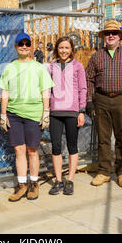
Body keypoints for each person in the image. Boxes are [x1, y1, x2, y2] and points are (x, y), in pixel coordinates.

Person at [0, 32, 54, 202]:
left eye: (27, 43)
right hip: (14, 114)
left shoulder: (39, 67)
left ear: (30, 47)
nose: (24, 46)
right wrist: (2, 114)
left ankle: (34, 184)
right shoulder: (10, 68)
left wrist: (46, 112)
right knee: (19, 150)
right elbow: (5, 92)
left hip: (33, 114)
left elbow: (46, 91)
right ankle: (22, 185)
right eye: (20, 44)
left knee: (32, 151)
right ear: (15, 47)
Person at [85, 19, 122, 188]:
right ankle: (104, 171)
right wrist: (89, 101)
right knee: (104, 138)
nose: (111, 36)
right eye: (107, 33)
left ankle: (121, 172)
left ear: (119, 36)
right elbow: (89, 80)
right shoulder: (96, 56)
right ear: (104, 36)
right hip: (101, 100)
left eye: (114, 33)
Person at [47, 36, 87, 195]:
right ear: (57, 49)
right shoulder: (51, 67)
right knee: (56, 146)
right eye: (61, 48)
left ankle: (69, 180)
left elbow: (83, 89)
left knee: (72, 146)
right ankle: (58, 180)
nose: (64, 51)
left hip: (72, 111)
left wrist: (81, 111)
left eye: (67, 48)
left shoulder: (78, 67)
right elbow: (47, 90)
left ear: (71, 50)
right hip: (55, 111)